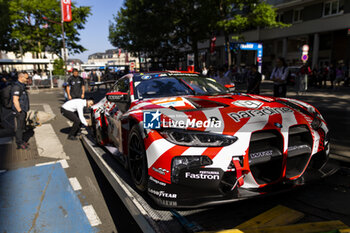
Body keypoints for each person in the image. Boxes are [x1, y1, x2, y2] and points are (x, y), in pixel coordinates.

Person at [12, 72, 30, 149]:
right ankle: (19, 143)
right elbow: (15, 100)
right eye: (26, 78)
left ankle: (22, 140)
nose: (27, 79)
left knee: (22, 127)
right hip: (20, 111)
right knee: (19, 128)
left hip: (23, 109)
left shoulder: (22, 86)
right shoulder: (17, 87)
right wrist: (19, 111)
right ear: (21, 77)